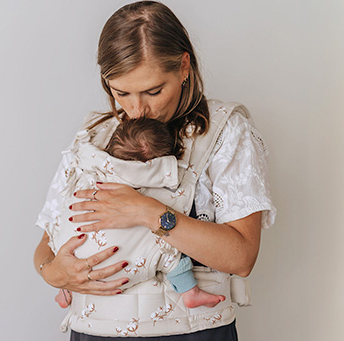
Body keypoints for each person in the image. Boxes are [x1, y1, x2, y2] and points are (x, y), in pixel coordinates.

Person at [34, 1, 275, 339]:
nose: (137, 109)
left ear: (184, 66)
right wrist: (55, 273)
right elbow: (46, 243)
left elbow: (241, 257)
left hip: (191, 333)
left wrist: (147, 212)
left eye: (153, 90)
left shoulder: (224, 131)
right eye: (121, 93)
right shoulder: (92, 137)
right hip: (93, 330)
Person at [50, 117, 225, 309]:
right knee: (169, 250)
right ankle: (189, 291)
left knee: (65, 225)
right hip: (119, 266)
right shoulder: (155, 175)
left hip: (70, 254)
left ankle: (66, 290)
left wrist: (55, 272)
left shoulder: (89, 161)